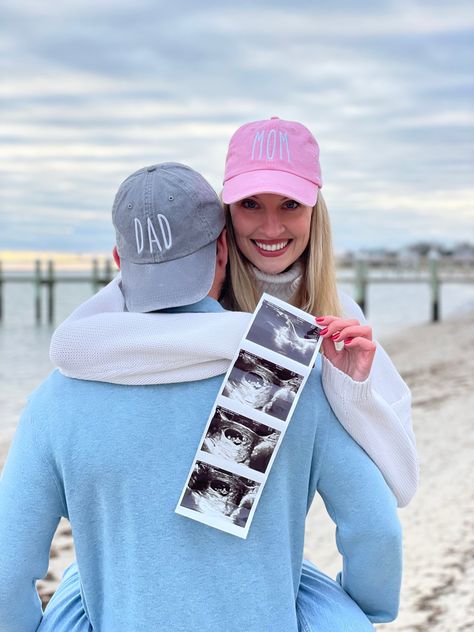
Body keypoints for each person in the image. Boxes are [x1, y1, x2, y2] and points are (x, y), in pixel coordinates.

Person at [0, 162, 402, 631]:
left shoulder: (56, 399)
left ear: (117, 260)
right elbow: (376, 530)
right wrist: (363, 607)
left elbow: (8, 570)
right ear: (222, 249)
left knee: (74, 582)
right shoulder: (284, 367)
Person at [50, 117, 419, 508]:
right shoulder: (188, 288)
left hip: (274, 546)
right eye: (251, 205)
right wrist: (263, 335)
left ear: (315, 211)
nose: (271, 227)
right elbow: (69, 347)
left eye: (290, 205)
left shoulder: (338, 313)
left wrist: (352, 392)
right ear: (226, 211)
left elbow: (402, 486)